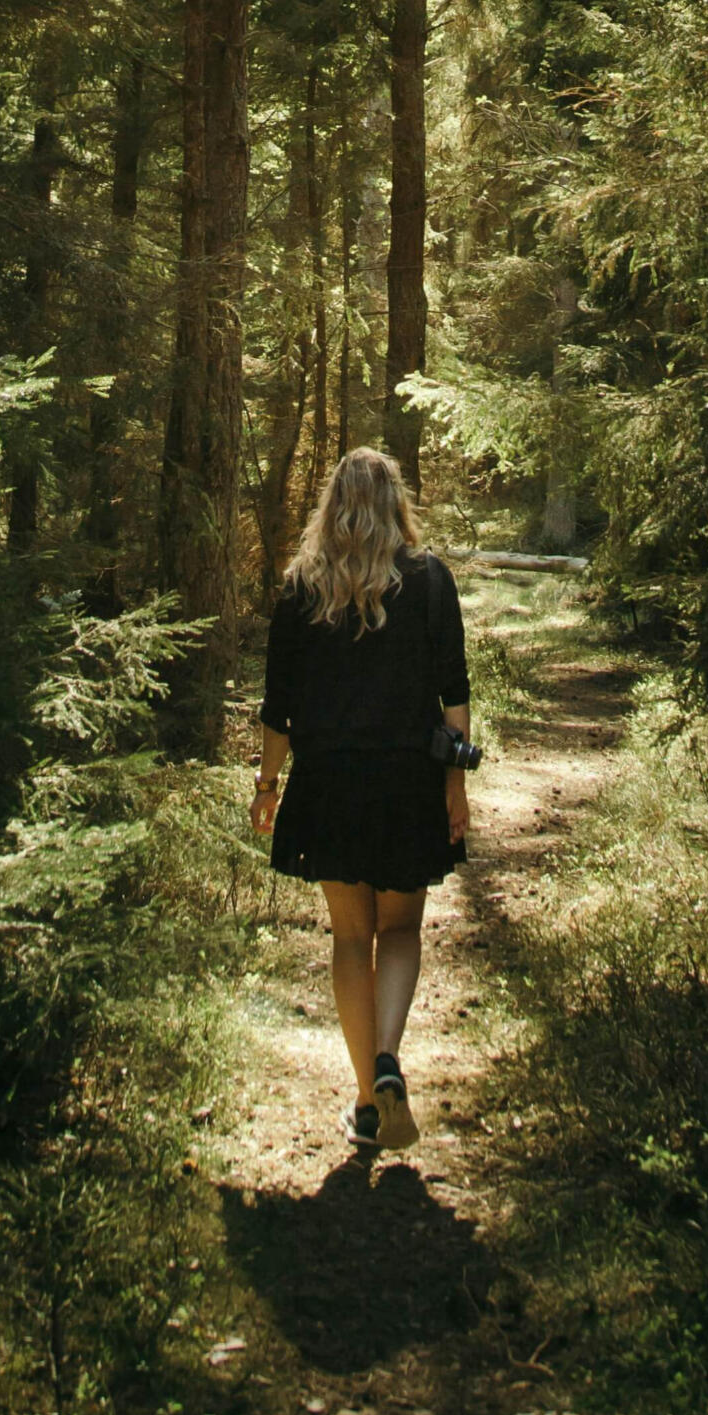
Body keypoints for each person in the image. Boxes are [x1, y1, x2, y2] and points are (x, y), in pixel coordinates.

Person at [249, 447, 473, 1151]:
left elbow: (278, 710)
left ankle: (364, 1101)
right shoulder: (430, 580)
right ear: (394, 503)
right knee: (401, 931)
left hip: (330, 783)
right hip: (408, 781)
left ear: (332, 507)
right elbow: (455, 696)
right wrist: (455, 787)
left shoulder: (299, 589)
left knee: (351, 938)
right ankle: (387, 1061)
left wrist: (266, 786)